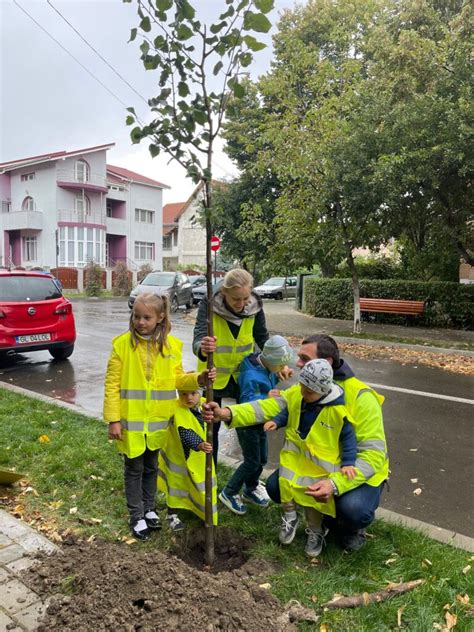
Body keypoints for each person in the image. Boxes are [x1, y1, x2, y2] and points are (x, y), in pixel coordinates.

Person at [204, 334, 389, 552]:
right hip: (319, 468)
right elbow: (270, 407)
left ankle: (348, 527)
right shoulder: (307, 387)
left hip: (355, 472)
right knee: (275, 487)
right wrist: (226, 412)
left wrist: (335, 484)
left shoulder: (360, 397)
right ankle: (320, 519)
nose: (297, 363)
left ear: (326, 362)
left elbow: (373, 456)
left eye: (304, 358)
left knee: (353, 509)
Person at [104, 293, 214, 541]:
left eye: (147, 317)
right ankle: (136, 515)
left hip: (158, 423)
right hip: (130, 422)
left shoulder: (171, 347)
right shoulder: (121, 345)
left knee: (152, 466)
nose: (140, 322)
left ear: (160, 317)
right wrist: (113, 419)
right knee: (134, 469)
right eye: (137, 316)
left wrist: (198, 379)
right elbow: (112, 384)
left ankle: (149, 508)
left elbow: (177, 379)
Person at [193, 268, 269, 465]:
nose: (242, 304)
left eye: (245, 298)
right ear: (224, 293)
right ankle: (211, 476)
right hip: (213, 376)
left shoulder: (254, 306)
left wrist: (276, 365)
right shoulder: (209, 305)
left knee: (250, 423)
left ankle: (251, 478)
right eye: (236, 299)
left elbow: (263, 339)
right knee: (210, 428)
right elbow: (198, 339)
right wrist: (203, 346)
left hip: (244, 376)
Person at [218, 335, 293, 515]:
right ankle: (229, 492)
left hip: (260, 423)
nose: (282, 369)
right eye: (280, 366)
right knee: (252, 462)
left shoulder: (264, 365)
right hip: (248, 425)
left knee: (262, 459)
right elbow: (248, 402)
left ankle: (250, 488)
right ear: (269, 361)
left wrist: (279, 376)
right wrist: (266, 398)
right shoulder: (251, 376)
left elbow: (269, 381)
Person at [158, 388, 217, 531]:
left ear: (200, 393)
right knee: (176, 485)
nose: (188, 398)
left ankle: (202, 510)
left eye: (193, 394)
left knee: (200, 484)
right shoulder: (177, 409)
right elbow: (185, 432)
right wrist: (199, 444)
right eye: (184, 394)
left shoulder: (205, 405)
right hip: (179, 457)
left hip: (199, 458)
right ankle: (172, 514)